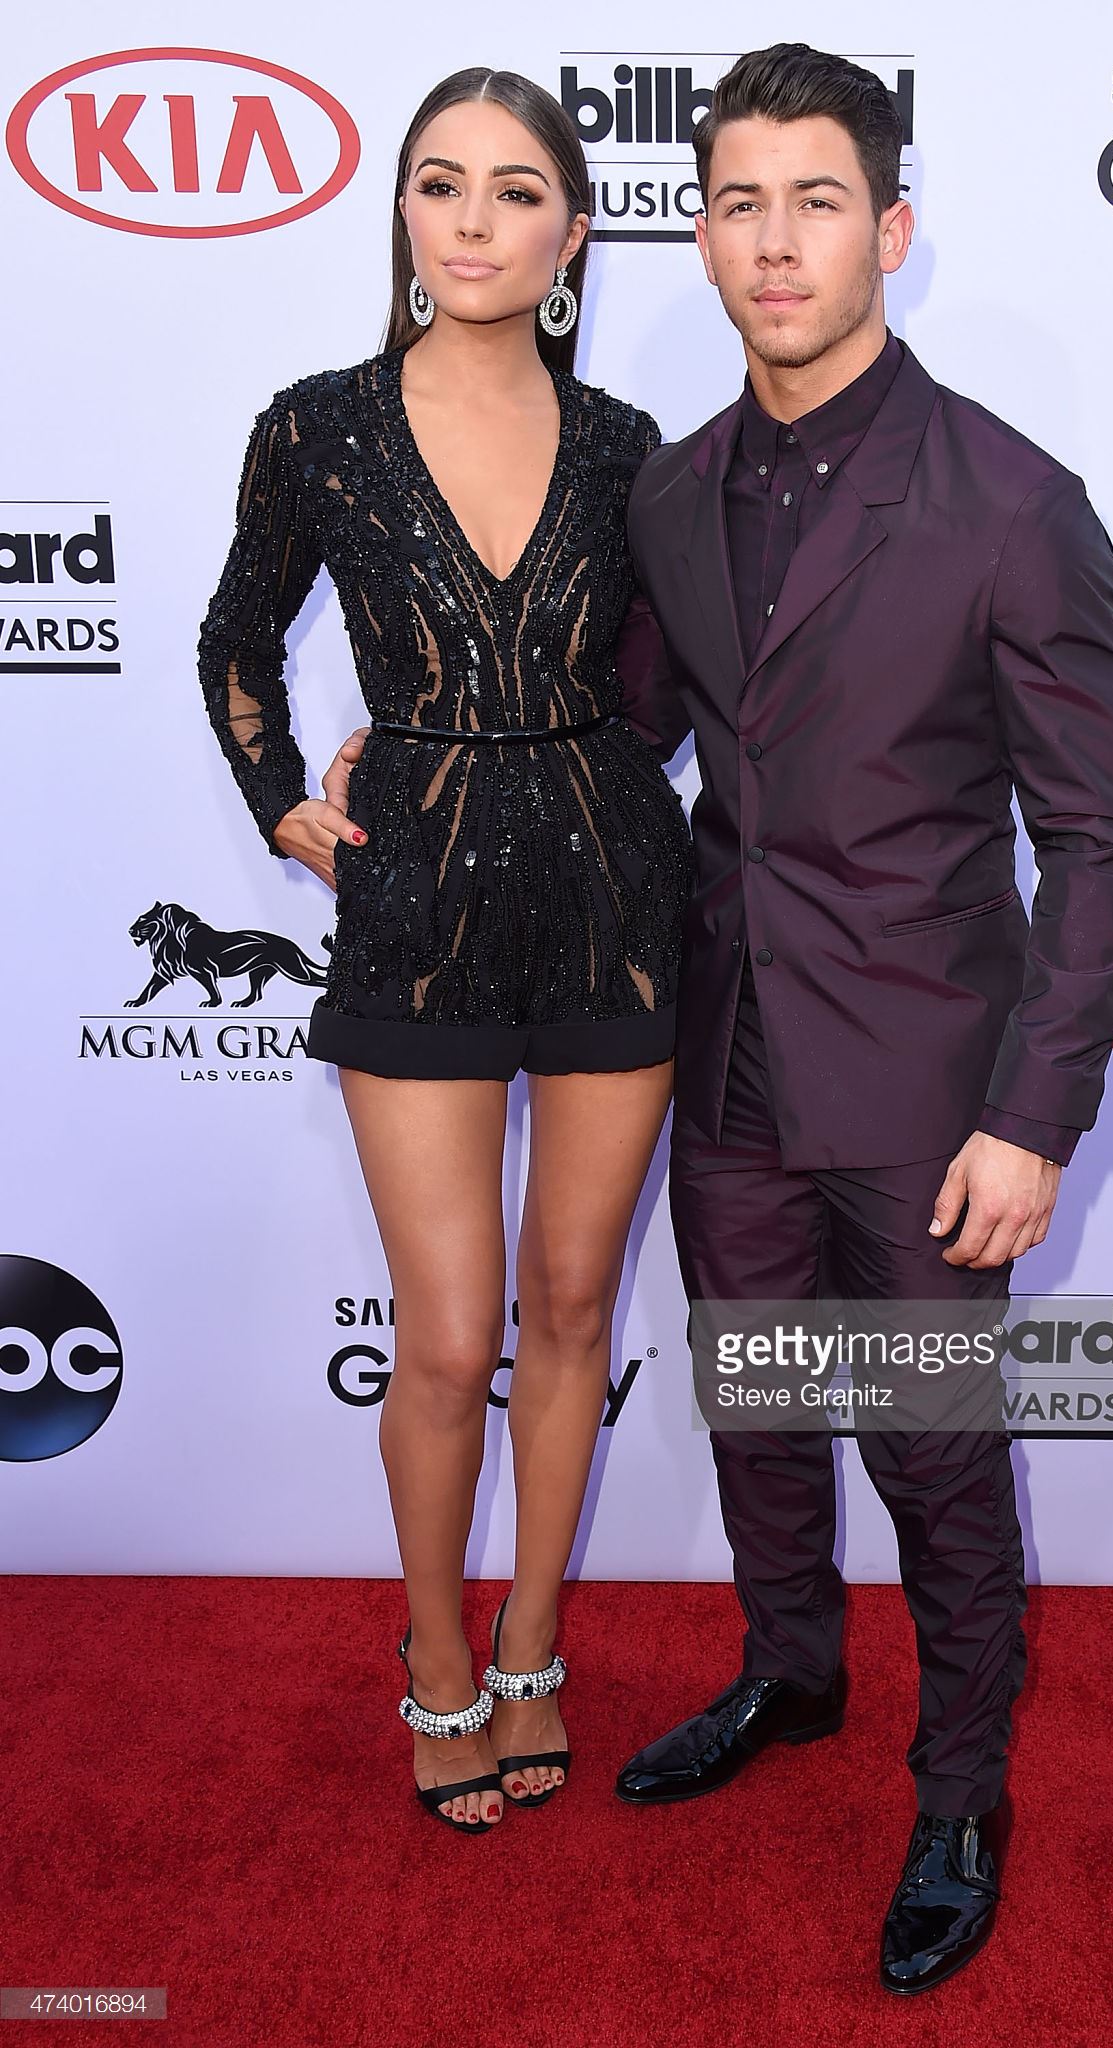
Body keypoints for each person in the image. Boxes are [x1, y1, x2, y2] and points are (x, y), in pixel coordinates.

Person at [323, 39, 1113, 1991]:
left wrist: (1032, 1113)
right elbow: (617, 727)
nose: (777, 243)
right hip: (722, 1051)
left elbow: (1102, 836)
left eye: (817, 202)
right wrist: (421, 743)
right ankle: (793, 1669)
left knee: (932, 1449)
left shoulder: (1014, 502)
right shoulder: (674, 488)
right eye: (739, 204)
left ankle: (961, 1792)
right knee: (765, 1403)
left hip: (933, 1079)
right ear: (697, 238)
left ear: (891, 230)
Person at [197, 67, 692, 1833]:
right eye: (440, 183)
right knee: (449, 1330)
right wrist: (281, 796)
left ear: (573, 233)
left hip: (618, 906)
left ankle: (533, 1641)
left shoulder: (632, 446)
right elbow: (236, 631)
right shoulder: (317, 426)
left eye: (516, 189)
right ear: (403, 214)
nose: (474, 220)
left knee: (573, 1308)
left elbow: (675, 683)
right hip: (411, 908)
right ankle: (433, 1648)